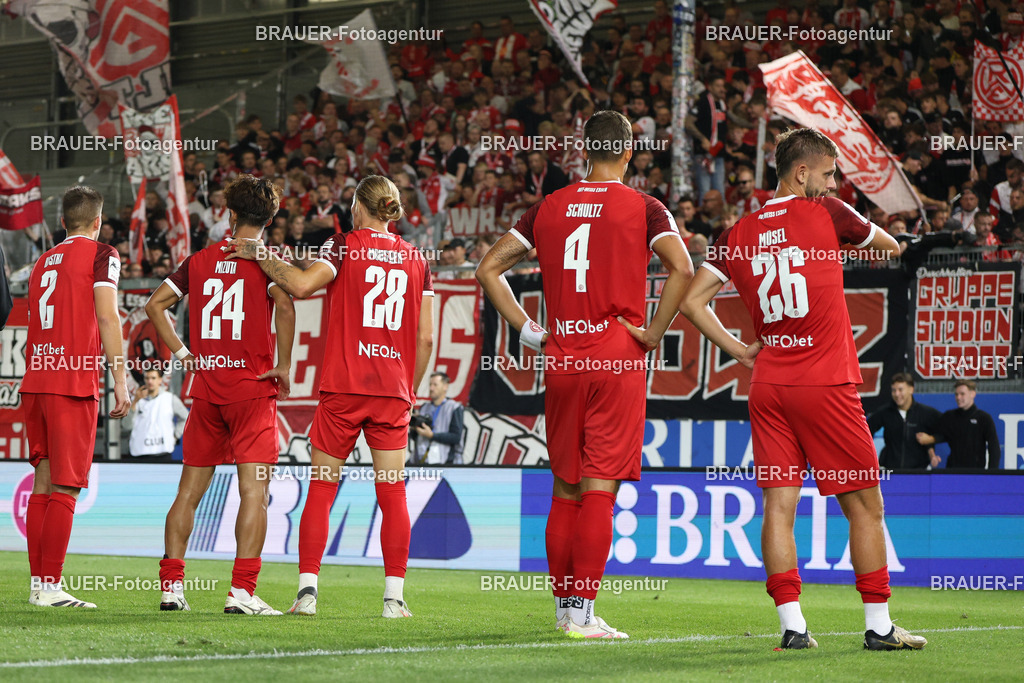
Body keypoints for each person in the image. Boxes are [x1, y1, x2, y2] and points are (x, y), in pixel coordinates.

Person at [678, 128, 927, 651]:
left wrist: (740, 350)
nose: (832, 184)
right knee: (864, 506)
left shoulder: (738, 232)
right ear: (802, 172)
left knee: (779, 507)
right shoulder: (829, 213)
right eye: (829, 174)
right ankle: (879, 626)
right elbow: (885, 246)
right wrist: (891, 239)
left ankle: (793, 627)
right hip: (825, 381)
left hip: (768, 382)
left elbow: (692, 303)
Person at [476, 110, 693, 639]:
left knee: (565, 488)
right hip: (615, 353)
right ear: (628, 153)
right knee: (600, 489)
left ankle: (564, 611)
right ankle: (583, 614)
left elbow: (487, 269)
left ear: (584, 151)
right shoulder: (644, 206)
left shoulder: (549, 206)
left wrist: (531, 332)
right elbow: (683, 268)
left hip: (563, 353)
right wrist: (652, 331)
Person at [228, 174, 434, 619]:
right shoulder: (418, 259)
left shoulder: (343, 245)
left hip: (343, 386)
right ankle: (394, 600)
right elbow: (428, 340)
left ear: (358, 207)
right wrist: (409, 390)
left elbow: (301, 287)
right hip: (392, 390)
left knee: (321, 489)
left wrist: (260, 254)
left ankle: (307, 594)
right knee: (392, 494)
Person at [146, 174, 295, 615]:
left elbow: (155, 305)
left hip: (207, 390)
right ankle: (242, 592)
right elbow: (286, 306)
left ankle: (171, 587)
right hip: (251, 391)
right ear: (269, 219)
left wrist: (183, 353)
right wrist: (283, 365)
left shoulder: (198, 260)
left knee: (188, 492)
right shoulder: (266, 261)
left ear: (229, 215)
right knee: (254, 493)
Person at [21, 185, 131, 608]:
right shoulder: (104, 255)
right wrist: (120, 378)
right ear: (98, 221)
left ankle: (39, 586)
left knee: (43, 483)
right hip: (72, 383)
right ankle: (50, 586)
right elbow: (107, 314)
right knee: (66, 488)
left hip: (36, 381)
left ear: (63, 222)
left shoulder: (41, 262)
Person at [916, 380, 1001, 469]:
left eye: (962, 394)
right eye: (956, 394)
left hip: (976, 473)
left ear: (973, 394)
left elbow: (994, 448)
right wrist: (932, 454)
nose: (958, 397)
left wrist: (992, 474)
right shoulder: (949, 417)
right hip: (952, 472)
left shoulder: (984, 418)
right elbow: (933, 436)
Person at [867, 373, 942, 469]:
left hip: (919, 472)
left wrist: (931, 439)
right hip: (890, 471)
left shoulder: (926, 413)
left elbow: (948, 431)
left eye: (900, 389)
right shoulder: (884, 412)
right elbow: (865, 432)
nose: (897, 394)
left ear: (911, 389)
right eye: (894, 390)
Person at [125, 368, 189, 461]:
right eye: (147, 378)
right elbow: (127, 426)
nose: (150, 381)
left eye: (153, 378)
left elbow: (186, 418)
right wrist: (135, 402)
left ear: (160, 380)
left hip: (163, 452)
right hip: (139, 453)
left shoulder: (170, 398)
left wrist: (175, 436)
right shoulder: (135, 400)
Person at [411, 372, 465, 465]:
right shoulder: (424, 407)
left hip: (445, 463)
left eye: (435, 385)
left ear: (445, 386)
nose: (431, 388)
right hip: (422, 461)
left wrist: (432, 435)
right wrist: (414, 429)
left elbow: (456, 437)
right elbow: (416, 437)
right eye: (430, 384)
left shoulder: (454, 407)